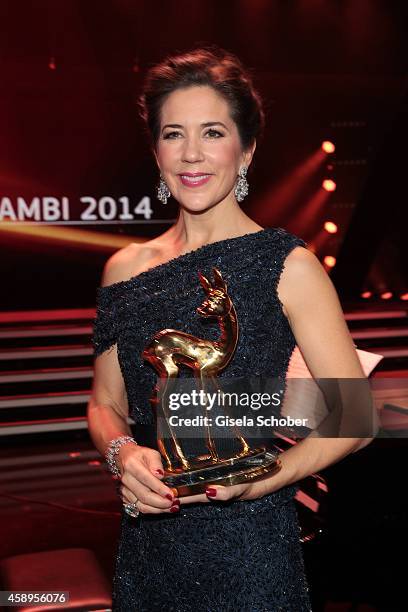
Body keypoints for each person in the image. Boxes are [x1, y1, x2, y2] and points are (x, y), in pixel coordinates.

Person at [87, 46, 373, 611]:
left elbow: (355, 417)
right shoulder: (122, 269)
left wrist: (265, 479)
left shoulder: (287, 265)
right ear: (155, 150)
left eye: (213, 132)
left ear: (247, 150)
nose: (192, 153)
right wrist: (122, 453)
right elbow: (104, 404)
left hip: (249, 549)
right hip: (149, 543)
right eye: (173, 134)